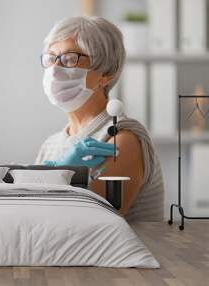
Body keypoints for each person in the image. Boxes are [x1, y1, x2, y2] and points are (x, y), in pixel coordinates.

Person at [36, 16, 164, 221]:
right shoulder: (50, 146)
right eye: (51, 58)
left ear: (106, 73)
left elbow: (91, 222)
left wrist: (53, 178)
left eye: (69, 59)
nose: (55, 70)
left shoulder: (121, 138)